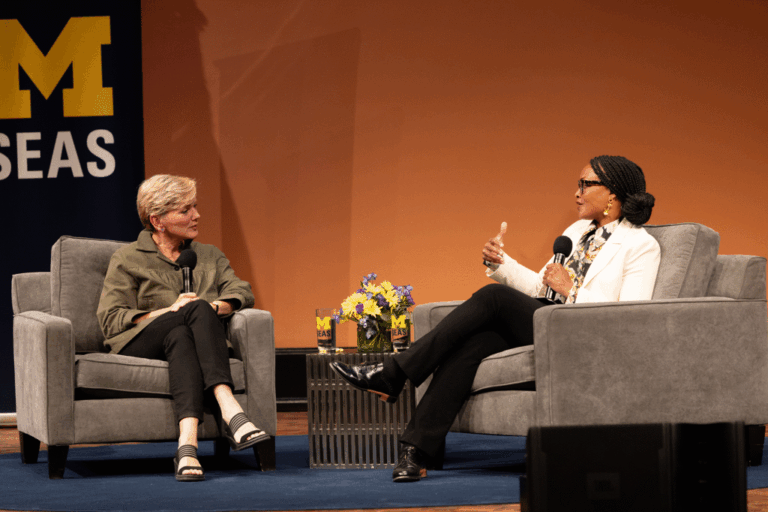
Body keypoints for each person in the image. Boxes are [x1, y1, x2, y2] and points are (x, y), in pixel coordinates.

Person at [330, 155, 661, 482]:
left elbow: (629, 316)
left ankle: (394, 373)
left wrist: (571, 291)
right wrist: (502, 262)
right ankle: (416, 451)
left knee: (493, 298)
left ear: (613, 194)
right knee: (473, 345)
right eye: (578, 184)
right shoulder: (577, 231)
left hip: (585, 336)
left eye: (585, 184)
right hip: (547, 321)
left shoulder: (640, 246)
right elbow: (543, 286)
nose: (577, 192)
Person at [97, 174, 268, 482]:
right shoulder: (127, 258)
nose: (196, 215)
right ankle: (230, 409)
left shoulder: (209, 255)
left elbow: (242, 292)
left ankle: (187, 445)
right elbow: (111, 317)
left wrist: (211, 308)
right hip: (140, 341)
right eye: (185, 210)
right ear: (157, 220)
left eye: (195, 206)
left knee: (183, 332)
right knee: (189, 313)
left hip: (186, 340)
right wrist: (168, 310)